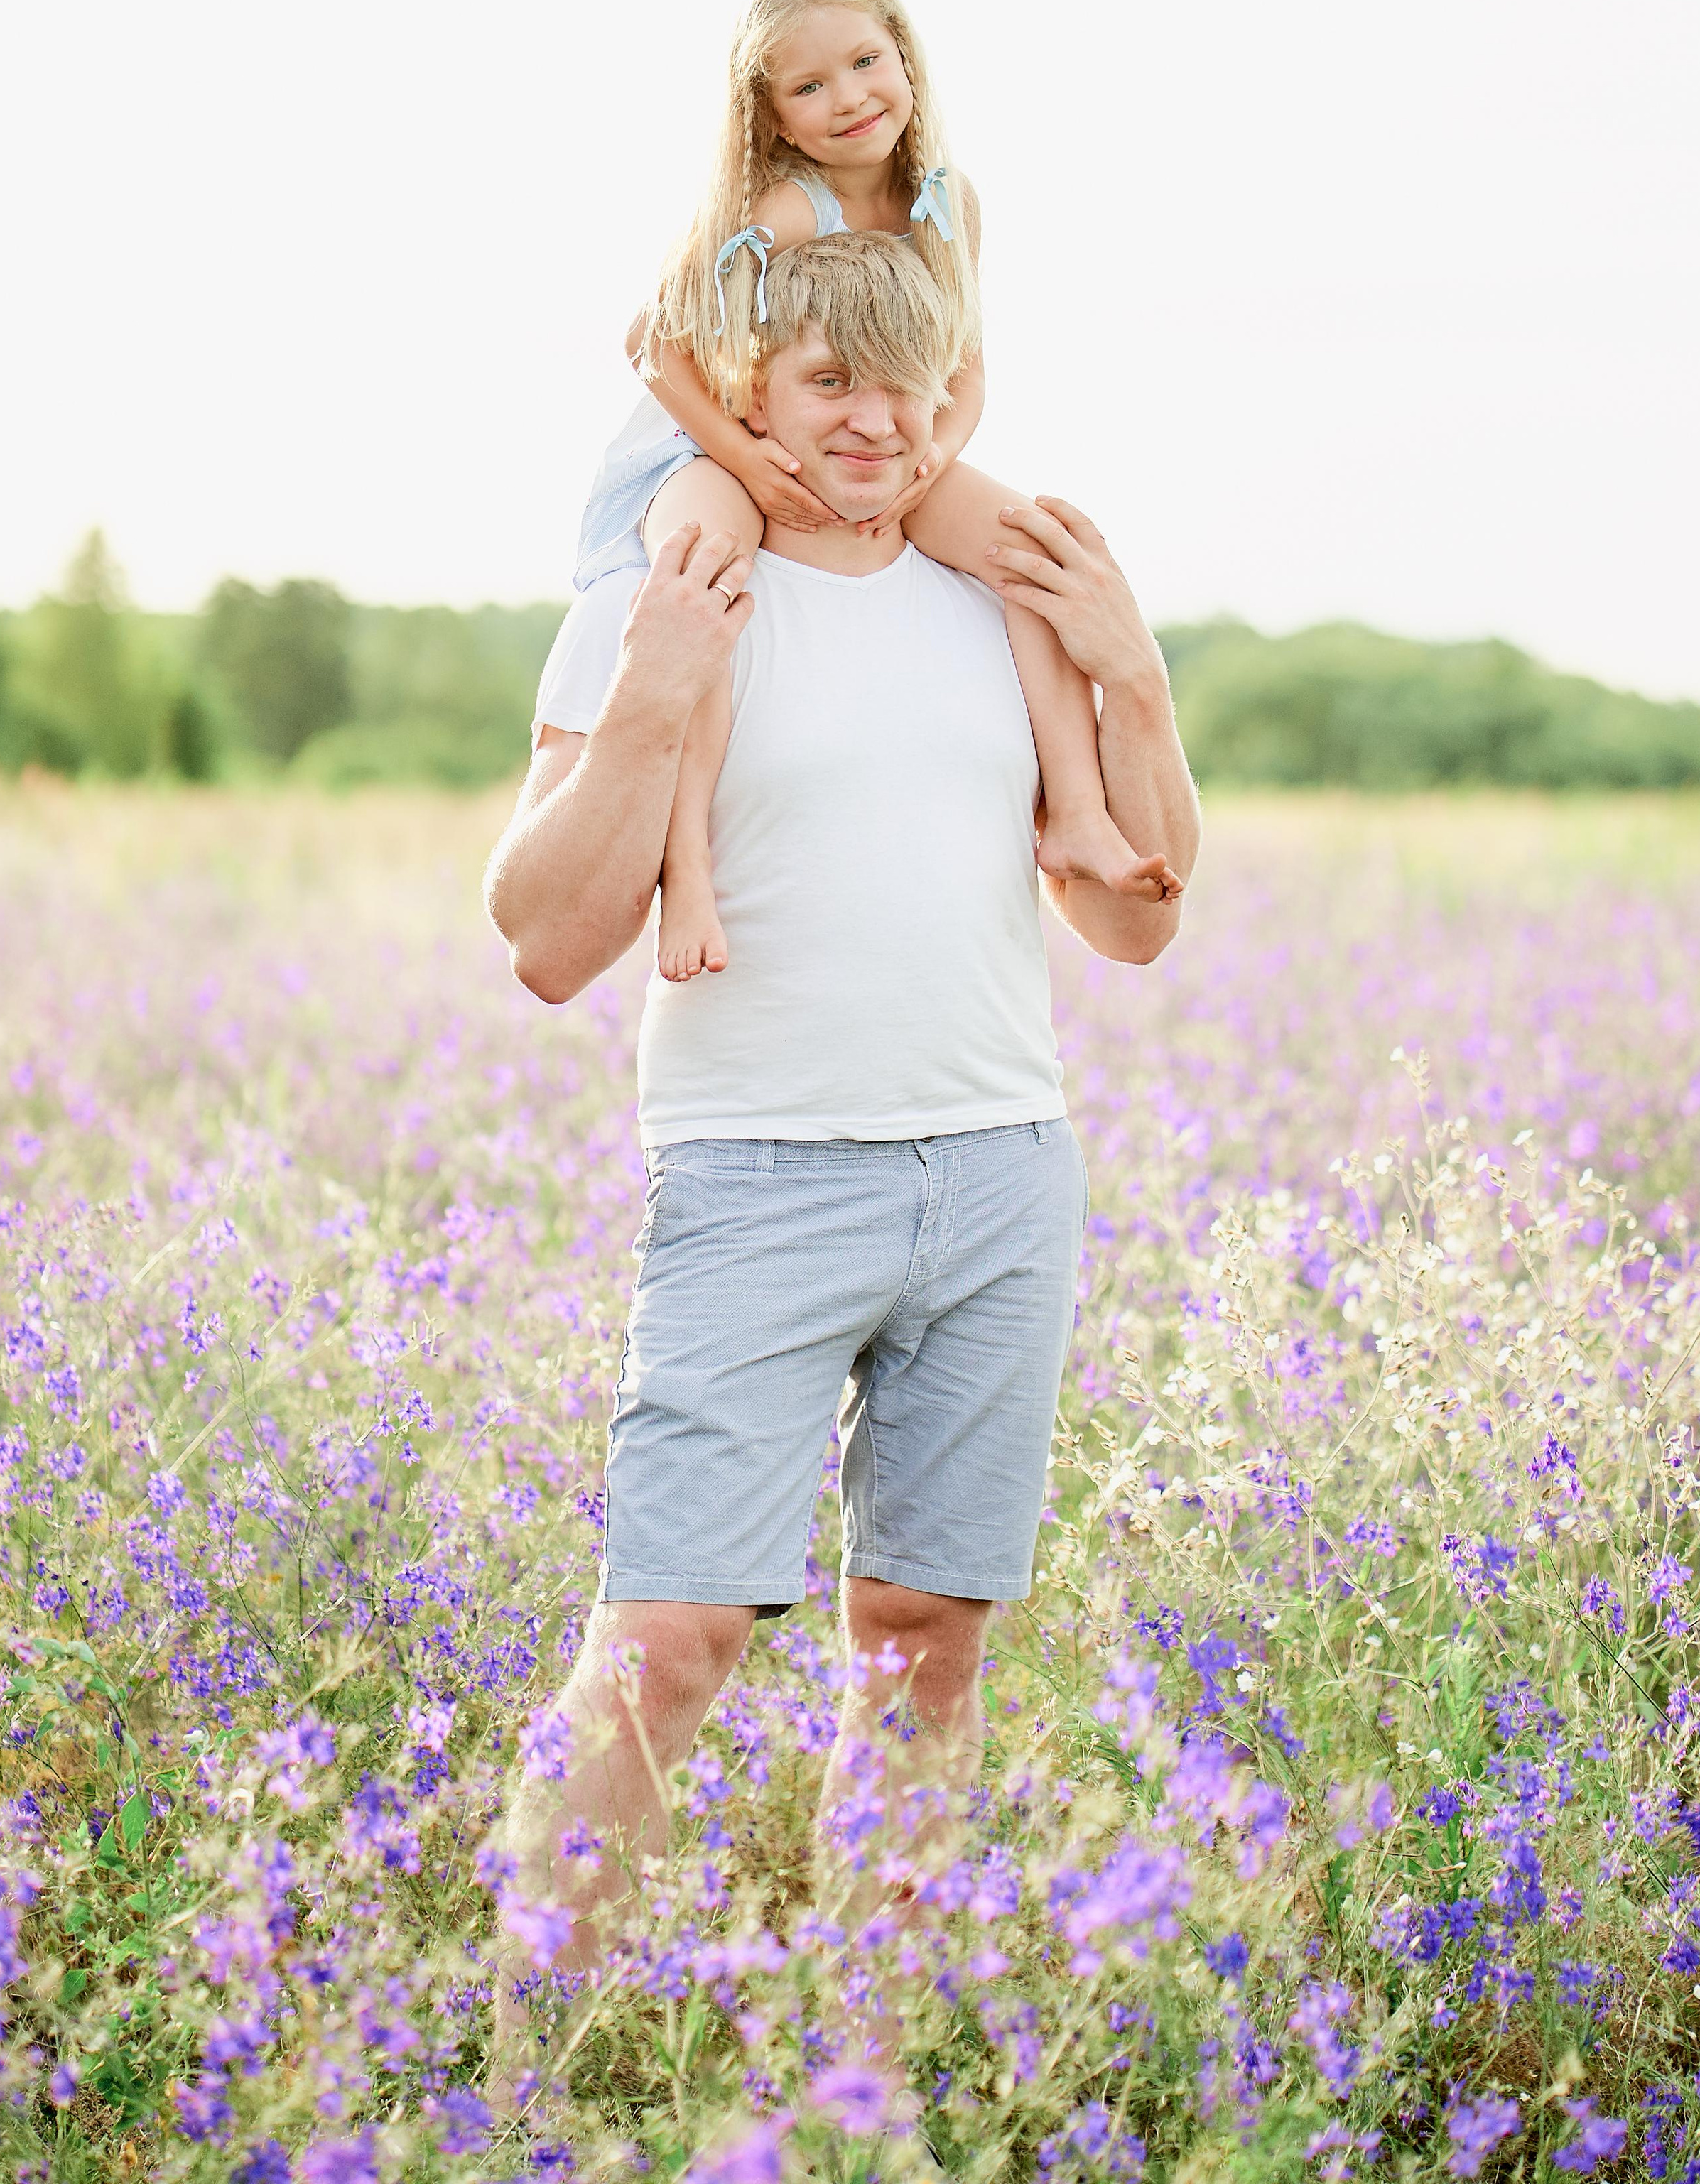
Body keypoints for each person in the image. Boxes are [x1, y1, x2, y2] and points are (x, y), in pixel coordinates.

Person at [484, 232, 1200, 2078]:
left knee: (923, 1639)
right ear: (750, 397)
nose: (875, 419)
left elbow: (1134, 921)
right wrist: (652, 689)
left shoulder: (1003, 607)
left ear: (952, 392)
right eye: (826, 382)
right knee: (667, 1640)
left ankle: (862, 2083)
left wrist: (1138, 679)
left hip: (999, 1170)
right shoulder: (665, 593)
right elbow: (548, 939)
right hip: (756, 1173)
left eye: (909, 382)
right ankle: (523, 2079)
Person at [575, 0, 1166, 986]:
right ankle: (690, 869)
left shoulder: (950, 203)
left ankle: (1074, 816)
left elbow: (965, 368)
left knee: (1025, 551)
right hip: (713, 435)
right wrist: (749, 469)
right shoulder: (787, 211)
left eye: (864, 61)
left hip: (884, 441)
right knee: (712, 580)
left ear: (907, 60)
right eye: (809, 85)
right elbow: (652, 346)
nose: (847, 97)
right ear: (773, 119)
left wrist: (941, 445)